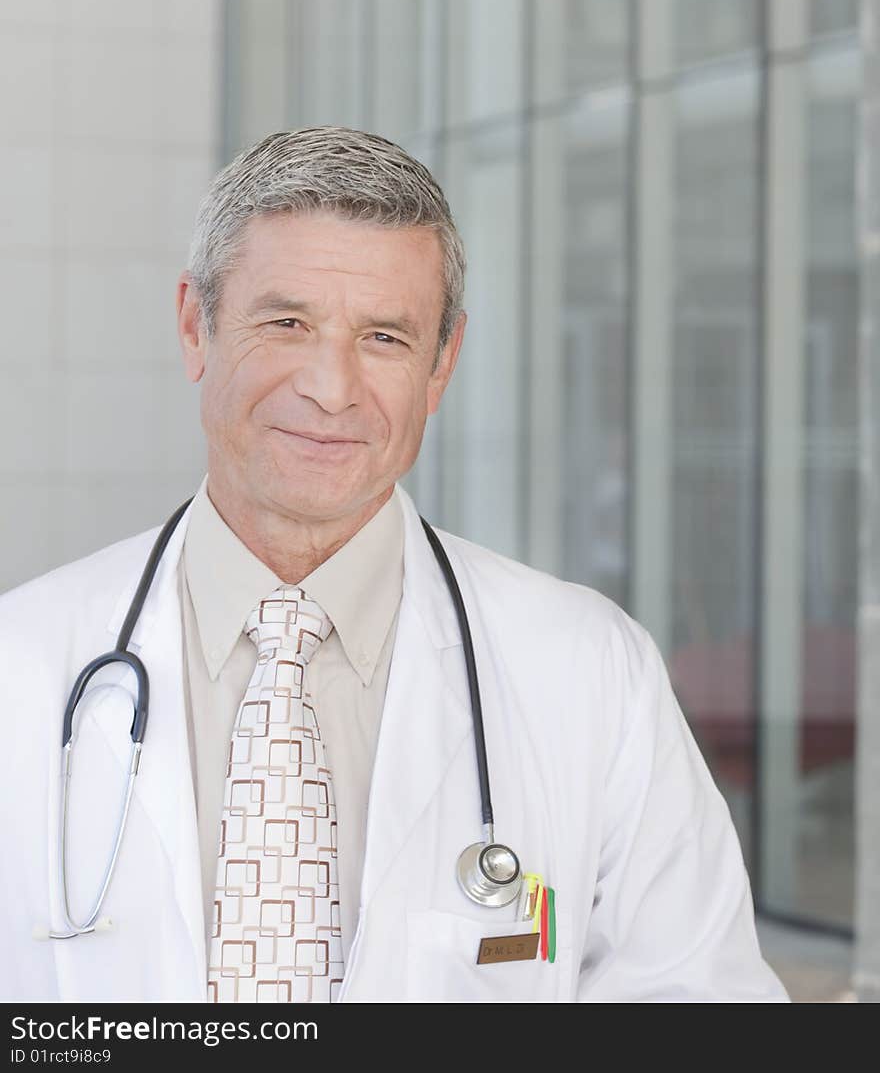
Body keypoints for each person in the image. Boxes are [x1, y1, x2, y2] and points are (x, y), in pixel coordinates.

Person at [0, 127, 788, 1003]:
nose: (331, 388)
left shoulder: (591, 672)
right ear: (196, 326)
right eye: (287, 322)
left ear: (442, 363)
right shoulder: (21, 664)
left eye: (384, 337)